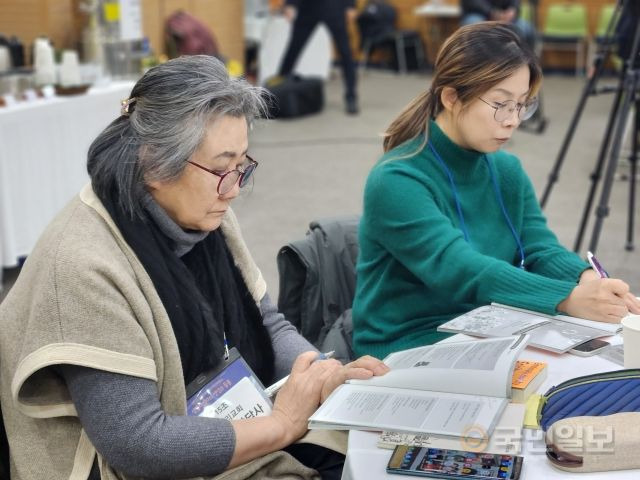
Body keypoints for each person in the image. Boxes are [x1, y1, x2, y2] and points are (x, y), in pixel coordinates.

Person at [0, 55, 388, 480]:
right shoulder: (83, 265)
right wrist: (281, 425)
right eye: (221, 168)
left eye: (242, 165)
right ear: (154, 164)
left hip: (220, 427)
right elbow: (139, 444)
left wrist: (320, 375)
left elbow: (267, 324)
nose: (235, 188)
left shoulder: (206, 212)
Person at [352, 23, 640, 359]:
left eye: (522, 105)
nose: (512, 120)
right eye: (500, 104)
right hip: (408, 345)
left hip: (489, 329)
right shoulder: (397, 179)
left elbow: (539, 248)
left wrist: (587, 278)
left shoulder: (506, 170)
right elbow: (461, 270)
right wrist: (568, 298)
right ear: (451, 97)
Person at [278, 0, 359, 114]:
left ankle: (351, 97)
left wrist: (351, 5)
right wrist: (290, 4)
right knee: (293, 50)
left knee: (345, 53)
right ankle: (276, 95)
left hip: (334, 7)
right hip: (308, 7)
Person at [460, 0, 535, 48]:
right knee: (474, 27)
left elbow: (515, 2)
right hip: (479, 14)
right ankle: (476, 66)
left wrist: (513, 10)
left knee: (525, 27)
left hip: (506, 17)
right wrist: (491, 12)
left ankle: (526, 65)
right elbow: (472, 2)